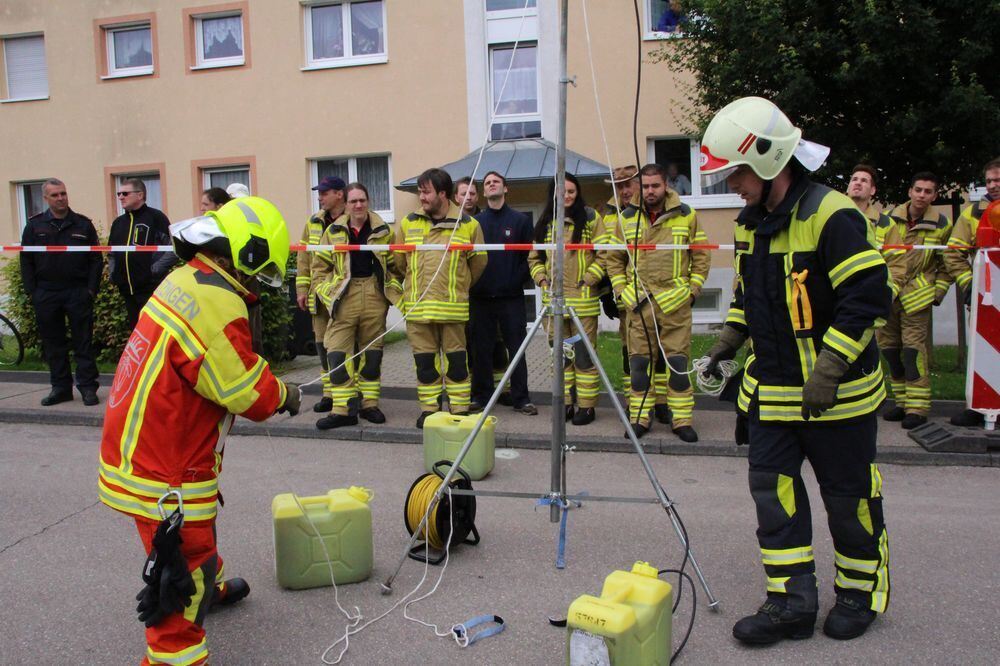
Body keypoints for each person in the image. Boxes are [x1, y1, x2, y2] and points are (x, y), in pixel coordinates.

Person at [700, 97, 892, 644]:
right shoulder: (750, 224)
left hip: (839, 398)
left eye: (736, 172)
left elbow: (867, 298)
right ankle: (791, 602)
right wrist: (729, 340)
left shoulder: (833, 215)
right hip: (773, 396)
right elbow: (750, 294)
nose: (731, 185)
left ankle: (858, 593)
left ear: (767, 160)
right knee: (774, 498)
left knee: (849, 500)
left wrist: (830, 367)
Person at [98, 196, 301, 666]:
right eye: (261, 271)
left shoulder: (188, 277)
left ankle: (212, 582)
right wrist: (284, 394)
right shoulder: (217, 302)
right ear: (246, 256)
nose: (259, 281)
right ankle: (174, 651)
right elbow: (244, 391)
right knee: (183, 566)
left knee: (196, 532)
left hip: (144, 445)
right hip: (165, 465)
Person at [605, 163, 710, 441]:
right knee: (639, 366)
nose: (650, 191)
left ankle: (681, 420)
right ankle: (640, 418)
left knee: (677, 365)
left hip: (675, 303)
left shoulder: (686, 215)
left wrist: (693, 290)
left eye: (655, 186)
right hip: (638, 304)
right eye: (646, 186)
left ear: (666, 186)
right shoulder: (626, 217)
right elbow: (614, 259)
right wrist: (621, 291)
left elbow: (701, 255)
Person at [387, 168, 487, 428]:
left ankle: (459, 410)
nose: (421, 197)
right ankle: (430, 411)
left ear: (443, 194)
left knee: (457, 365)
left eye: (426, 192)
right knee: (425, 365)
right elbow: (400, 263)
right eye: (420, 192)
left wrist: (459, 287)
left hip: (452, 310)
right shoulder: (408, 223)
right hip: (419, 311)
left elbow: (478, 264)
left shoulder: (468, 225)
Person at [312, 182, 394, 429]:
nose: (358, 205)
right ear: (346, 204)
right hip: (344, 295)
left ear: (368, 202)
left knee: (372, 354)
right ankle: (343, 410)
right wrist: (327, 293)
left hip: (373, 294)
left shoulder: (383, 230)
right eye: (353, 201)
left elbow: (397, 265)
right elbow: (319, 267)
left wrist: (388, 292)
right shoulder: (334, 231)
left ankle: (369, 405)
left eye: (362, 200)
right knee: (336, 352)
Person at [877, 172, 953, 430]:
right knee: (890, 351)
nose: (922, 195)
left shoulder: (942, 224)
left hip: (917, 297)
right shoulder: (889, 218)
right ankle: (901, 403)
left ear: (935, 196)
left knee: (913, 353)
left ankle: (917, 407)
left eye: (928, 191)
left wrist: (936, 292)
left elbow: (947, 263)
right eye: (918, 189)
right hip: (889, 294)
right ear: (910, 191)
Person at [19, 178, 102, 406]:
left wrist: (91, 289)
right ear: (46, 198)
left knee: (83, 342)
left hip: (77, 291)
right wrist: (32, 291)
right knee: (53, 343)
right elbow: (26, 259)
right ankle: (61, 388)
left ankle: (88, 387)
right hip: (46, 292)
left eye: (63, 193)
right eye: (55, 195)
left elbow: (96, 259)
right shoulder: (35, 226)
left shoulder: (82, 224)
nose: (61, 198)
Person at [529, 173, 602, 425]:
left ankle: (587, 407)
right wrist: (542, 280)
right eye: (562, 191)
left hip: (583, 303)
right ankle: (566, 404)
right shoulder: (545, 222)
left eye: (571, 191)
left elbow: (604, 254)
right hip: (553, 305)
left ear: (578, 192)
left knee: (583, 357)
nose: (566, 196)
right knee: (560, 358)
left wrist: (589, 279)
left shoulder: (591, 218)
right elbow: (534, 258)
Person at [468, 170, 537, 415]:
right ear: (484, 191)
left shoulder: (520, 221)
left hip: (511, 298)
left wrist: (514, 282)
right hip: (481, 298)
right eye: (487, 183)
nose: (491, 185)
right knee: (481, 351)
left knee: (517, 349)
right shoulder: (475, 223)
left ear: (505, 188)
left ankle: (521, 399)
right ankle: (481, 398)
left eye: (496, 181)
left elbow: (530, 258)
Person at [943, 158, 1000, 427]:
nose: (993, 185)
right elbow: (954, 252)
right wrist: (970, 285)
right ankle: (978, 406)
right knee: (981, 352)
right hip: (985, 299)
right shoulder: (972, 214)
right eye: (989, 181)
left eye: (998, 180)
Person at [297, 176, 347, 414]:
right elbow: (303, 258)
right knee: (322, 345)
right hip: (318, 295)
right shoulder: (314, 222)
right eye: (319, 193)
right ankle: (329, 393)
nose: (320, 198)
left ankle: (348, 391)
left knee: (345, 346)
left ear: (339, 194)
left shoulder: (351, 219)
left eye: (325, 193)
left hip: (343, 295)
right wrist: (301, 289)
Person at [108, 178, 176, 329]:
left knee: (153, 331)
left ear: (140, 195)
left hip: (151, 289)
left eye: (125, 193)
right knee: (135, 332)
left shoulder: (156, 217)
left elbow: (173, 249)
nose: (120, 197)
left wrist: (154, 270)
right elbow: (112, 252)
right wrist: (113, 273)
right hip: (127, 291)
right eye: (118, 194)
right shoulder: (118, 223)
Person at [846, 164, 892, 245]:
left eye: (864, 181)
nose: (858, 183)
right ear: (848, 188)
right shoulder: (832, 215)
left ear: (872, 190)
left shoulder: (886, 223)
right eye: (854, 179)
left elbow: (895, 253)